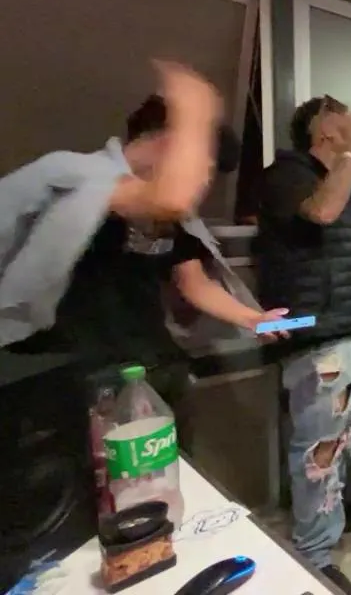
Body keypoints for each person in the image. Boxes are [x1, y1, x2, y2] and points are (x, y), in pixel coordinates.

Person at [0, 65, 278, 411]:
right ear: (164, 142)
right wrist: (195, 108)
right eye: (200, 167)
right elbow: (161, 198)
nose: (203, 183)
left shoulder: (175, 217)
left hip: (147, 362)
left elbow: (193, 282)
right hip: (59, 371)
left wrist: (251, 318)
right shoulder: (75, 175)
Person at [254, 94, 351, 594]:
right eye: (344, 117)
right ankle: (314, 555)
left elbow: (341, 251)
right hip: (316, 333)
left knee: (343, 436)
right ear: (323, 131)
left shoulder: (347, 188)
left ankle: (332, 516)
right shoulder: (285, 175)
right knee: (319, 446)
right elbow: (321, 214)